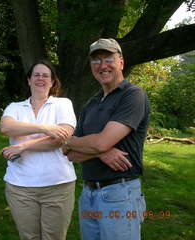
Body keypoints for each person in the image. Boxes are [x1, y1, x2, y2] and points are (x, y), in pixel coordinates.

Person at [63, 38, 150, 240]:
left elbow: (93, 142)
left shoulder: (133, 95)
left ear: (121, 61)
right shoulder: (91, 103)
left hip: (120, 194)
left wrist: (73, 141)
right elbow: (69, 154)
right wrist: (102, 151)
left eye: (108, 58)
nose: (102, 65)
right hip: (89, 194)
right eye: (96, 61)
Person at [0, 59, 77, 240]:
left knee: (54, 237)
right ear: (29, 80)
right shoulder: (15, 107)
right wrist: (45, 128)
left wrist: (23, 146)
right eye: (36, 75)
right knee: (29, 237)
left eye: (45, 75)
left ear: (52, 82)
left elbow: (61, 138)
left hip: (57, 185)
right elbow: (5, 127)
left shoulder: (63, 104)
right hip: (20, 187)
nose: (40, 79)